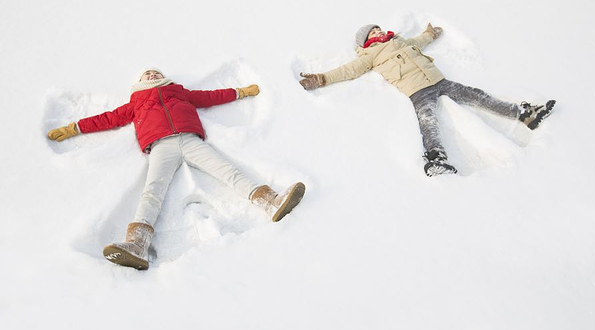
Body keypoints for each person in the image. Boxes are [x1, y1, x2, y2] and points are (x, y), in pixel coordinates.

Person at [48, 68, 305, 270]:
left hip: (190, 139)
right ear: (140, 82)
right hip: (160, 147)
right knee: (152, 191)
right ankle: (137, 243)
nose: (152, 75)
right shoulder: (136, 102)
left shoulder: (179, 91)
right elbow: (107, 119)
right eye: (147, 74)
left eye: (156, 73)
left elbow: (209, 97)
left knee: (227, 170)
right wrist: (74, 128)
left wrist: (240, 92)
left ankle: (271, 201)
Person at [299, 24, 556, 176]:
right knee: (428, 121)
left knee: (477, 95)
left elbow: (419, 40)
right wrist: (321, 78)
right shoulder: (369, 55)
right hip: (417, 90)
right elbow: (348, 70)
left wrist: (430, 33)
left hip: (439, 80)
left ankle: (523, 114)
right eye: (372, 31)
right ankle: (436, 158)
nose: (378, 30)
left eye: (377, 27)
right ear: (366, 41)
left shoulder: (400, 41)